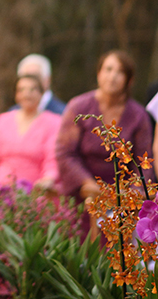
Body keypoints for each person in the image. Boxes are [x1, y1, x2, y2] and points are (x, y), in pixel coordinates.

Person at [56, 50, 154, 204]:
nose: (112, 76)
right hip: (83, 195)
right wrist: (87, 183)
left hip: (124, 199)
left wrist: (134, 192)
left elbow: (144, 161)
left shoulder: (139, 115)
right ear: (98, 73)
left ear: (129, 80)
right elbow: (65, 153)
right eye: (108, 69)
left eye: (120, 72)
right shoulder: (78, 107)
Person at [0, 74, 61, 189]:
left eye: (32, 89)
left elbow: (52, 159)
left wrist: (48, 179)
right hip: (0, 192)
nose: (26, 94)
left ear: (41, 93)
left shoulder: (53, 122)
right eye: (21, 90)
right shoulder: (3, 120)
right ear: (16, 95)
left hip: (34, 192)